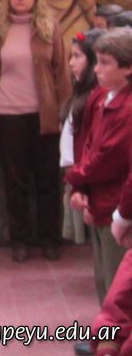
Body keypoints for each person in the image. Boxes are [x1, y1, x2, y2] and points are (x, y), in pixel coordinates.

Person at [0, 0, 71, 262]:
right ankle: (20, 240)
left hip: (45, 116)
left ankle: (50, 239)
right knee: (16, 181)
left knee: (47, 180)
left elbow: (62, 72)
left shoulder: (49, 26)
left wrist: (64, 113)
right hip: (9, 114)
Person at [65, 29, 132, 304]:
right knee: (104, 281)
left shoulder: (127, 109)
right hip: (100, 201)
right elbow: (89, 144)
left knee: (118, 290)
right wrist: (81, 189)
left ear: (128, 67)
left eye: (105, 63)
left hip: (117, 205)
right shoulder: (105, 98)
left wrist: (74, 178)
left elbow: (108, 159)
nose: (96, 69)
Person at [61, 29, 105, 247]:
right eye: (71, 56)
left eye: (77, 56)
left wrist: (81, 181)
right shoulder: (80, 95)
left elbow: (92, 147)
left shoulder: (95, 99)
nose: (71, 63)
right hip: (77, 176)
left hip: (88, 179)